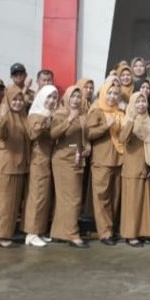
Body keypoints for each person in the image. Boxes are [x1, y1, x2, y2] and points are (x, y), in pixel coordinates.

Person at [0, 92, 30, 247]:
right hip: (4, 164)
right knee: (2, 201)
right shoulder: (2, 114)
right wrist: (2, 116)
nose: (17, 103)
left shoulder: (22, 116)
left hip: (17, 165)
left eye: (20, 100)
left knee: (11, 203)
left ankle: (4, 233)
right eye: (14, 99)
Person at [86, 79, 125, 245]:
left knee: (115, 198)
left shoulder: (120, 113)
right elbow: (88, 134)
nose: (112, 96)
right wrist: (106, 127)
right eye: (109, 93)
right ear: (103, 94)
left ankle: (112, 229)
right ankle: (105, 233)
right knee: (102, 198)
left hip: (119, 160)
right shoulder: (97, 112)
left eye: (115, 94)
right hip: (101, 161)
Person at [50, 87, 88, 247]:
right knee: (72, 198)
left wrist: (86, 147)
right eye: (73, 96)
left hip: (77, 158)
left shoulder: (83, 114)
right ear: (66, 98)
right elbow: (53, 134)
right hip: (63, 160)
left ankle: (58, 232)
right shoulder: (60, 114)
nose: (76, 100)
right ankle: (72, 234)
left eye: (79, 97)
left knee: (67, 199)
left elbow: (82, 136)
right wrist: (69, 120)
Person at [119, 91, 150, 246]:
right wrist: (131, 120)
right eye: (138, 102)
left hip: (146, 165)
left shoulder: (148, 120)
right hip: (133, 166)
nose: (141, 105)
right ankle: (131, 234)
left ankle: (143, 232)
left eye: (143, 101)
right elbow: (123, 138)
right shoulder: (127, 119)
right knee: (132, 202)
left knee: (145, 202)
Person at [24, 84, 58, 248]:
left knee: (44, 197)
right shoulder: (35, 114)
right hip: (38, 160)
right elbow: (33, 134)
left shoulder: (49, 114)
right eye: (48, 97)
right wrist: (45, 119)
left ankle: (39, 231)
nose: (51, 101)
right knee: (37, 196)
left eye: (54, 97)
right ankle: (31, 233)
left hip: (47, 160)